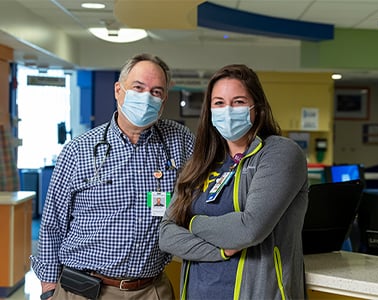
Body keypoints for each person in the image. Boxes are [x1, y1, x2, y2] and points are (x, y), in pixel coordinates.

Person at [30, 53, 195, 300]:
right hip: (84, 289)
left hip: (151, 289)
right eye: (138, 88)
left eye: (156, 92)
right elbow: (53, 224)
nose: (146, 97)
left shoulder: (180, 142)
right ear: (119, 90)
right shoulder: (79, 149)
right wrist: (49, 290)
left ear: (163, 101)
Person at [159, 64, 309, 300]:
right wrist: (221, 250)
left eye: (238, 102)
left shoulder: (280, 153)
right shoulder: (201, 163)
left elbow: (249, 229)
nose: (227, 111)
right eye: (219, 103)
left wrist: (190, 222)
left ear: (256, 108)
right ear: (209, 111)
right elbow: (166, 234)